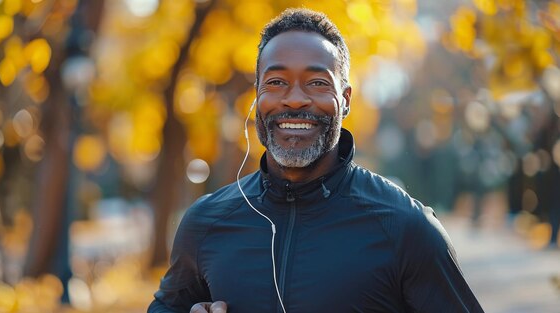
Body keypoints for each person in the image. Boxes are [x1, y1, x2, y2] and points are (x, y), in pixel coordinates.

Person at [148, 8, 483, 313]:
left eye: (317, 83)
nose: (294, 99)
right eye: (276, 82)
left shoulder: (405, 227)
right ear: (257, 96)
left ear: (346, 99)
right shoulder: (206, 223)